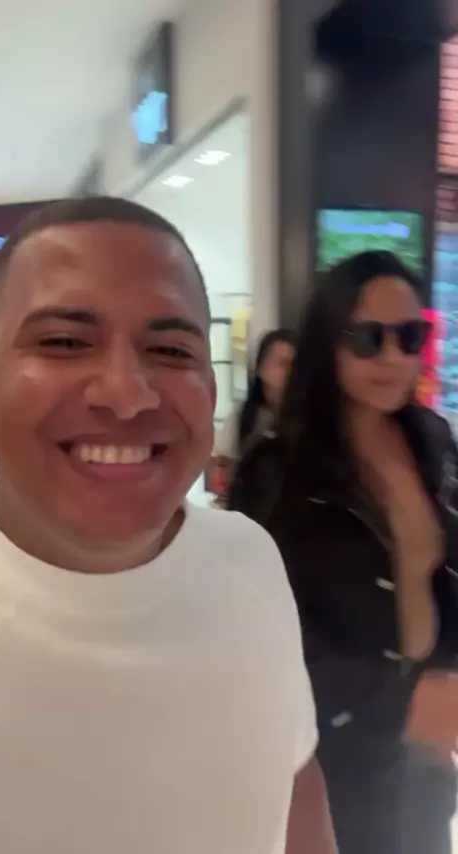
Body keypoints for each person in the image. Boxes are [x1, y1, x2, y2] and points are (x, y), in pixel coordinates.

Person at [0, 197, 336, 854]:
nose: (125, 392)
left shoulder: (248, 559)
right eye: (64, 342)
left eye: (170, 350)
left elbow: (293, 778)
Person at [228, 251, 458, 854]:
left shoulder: (430, 440)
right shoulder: (278, 469)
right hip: (334, 747)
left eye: (410, 337)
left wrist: (442, 673)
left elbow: (445, 573)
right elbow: (262, 623)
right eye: (369, 338)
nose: (393, 358)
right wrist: (382, 704)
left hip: (426, 736)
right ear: (330, 342)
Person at [211, 329, 295, 503]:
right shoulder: (242, 418)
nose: (289, 374)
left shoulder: (313, 421)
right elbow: (221, 474)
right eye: (282, 364)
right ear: (261, 368)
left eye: (295, 366)